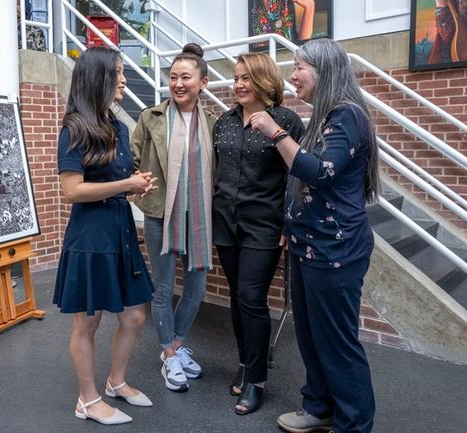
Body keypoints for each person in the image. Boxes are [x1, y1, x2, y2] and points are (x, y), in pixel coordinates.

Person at [249, 38, 379, 433]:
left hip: (335, 250)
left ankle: (353, 423)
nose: (293, 76)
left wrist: (275, 132)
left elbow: (319, 171)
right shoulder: (323, 117)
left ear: (324, 70)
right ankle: (319, 406)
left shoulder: (347, 115)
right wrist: (291, 227)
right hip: (308, 246)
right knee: (310, 336)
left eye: (299, 67)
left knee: (337, 342)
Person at [53, 47, 158, 426]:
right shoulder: (74, 128)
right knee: (88, 322)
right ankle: (87, 399)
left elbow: (116, 181)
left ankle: (116, 382)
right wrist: (124, 184)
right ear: (98, 77)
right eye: (118, 72)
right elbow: (73, 192)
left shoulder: (118, 128)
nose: (125, 80)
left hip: (121, 232)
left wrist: (135, 185)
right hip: (90, 238)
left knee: (134, 316)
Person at [213, 52, 305, 415]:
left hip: (264, 224)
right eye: (236, 77)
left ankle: (257, 379)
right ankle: (246, 361)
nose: (238, 84)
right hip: (225, 222)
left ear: (265, 80)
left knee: (252, 297)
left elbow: (295, 176)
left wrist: (286, 222)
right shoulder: (223, 121)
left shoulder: (286, 121)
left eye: (246, 78)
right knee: (238, 297)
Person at [130, 43, 217, 393]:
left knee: (196, 288)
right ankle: (169, 352)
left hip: (199, 218)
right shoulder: (149, 118)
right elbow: (131, 160)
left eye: (186, 77)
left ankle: (176, 345)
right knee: (163, 288)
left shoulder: (212, 123)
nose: (178, 83)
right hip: (159, 216)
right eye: (173, 77)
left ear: (203, 82)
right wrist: (138, 191)